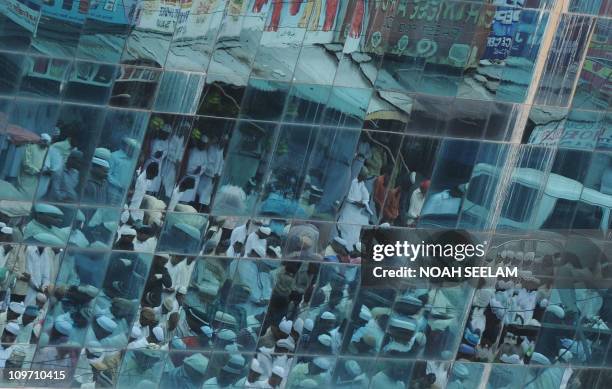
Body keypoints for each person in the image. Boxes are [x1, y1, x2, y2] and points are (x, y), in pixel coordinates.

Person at [337, 169, 372, 249]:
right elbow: (347, 196)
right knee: (345, 228)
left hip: (357, 212)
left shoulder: (362, 184)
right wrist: (356, 202)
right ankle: (344, 247)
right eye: (364, 177)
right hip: (349, 209)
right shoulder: (353, 182)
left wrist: (364, 202)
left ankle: (351, 250)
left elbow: (366, 196)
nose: (364, 179)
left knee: (355, 232)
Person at [17, 134, 50, 199]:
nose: (46, 144)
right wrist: (38, 171)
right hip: (26, 179)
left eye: (47, 143)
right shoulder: (30, 147)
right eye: (45, 141)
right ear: (41, 140)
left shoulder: (46, 151)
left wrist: (46, 170)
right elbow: (26, 164)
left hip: (37, 180)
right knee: (20, 196)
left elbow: (47, 164)